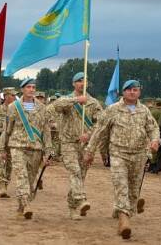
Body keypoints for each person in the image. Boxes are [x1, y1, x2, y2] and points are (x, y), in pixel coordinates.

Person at [84, 79, 160, 240]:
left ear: (139, 92)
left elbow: (153, 128)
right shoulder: (112, 110)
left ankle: (123, 212)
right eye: (129, 89)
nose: (132, 92)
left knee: (133, 191)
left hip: (139, 155)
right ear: (123, 92)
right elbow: (99, 132)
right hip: (118, 154)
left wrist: (155, 141)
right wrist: (89, 151)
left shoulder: (144, 110)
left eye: (135, 90)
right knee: (121, 185)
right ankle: (124, 221)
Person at [0, 78, 53, 219]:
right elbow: (7, 129)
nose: (32, 89)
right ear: (22, 89)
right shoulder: (13, 107)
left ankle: (21, 206)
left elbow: (46, 131)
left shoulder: (42, 108)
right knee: (21, 176)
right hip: (17, 146)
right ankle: (27, 204)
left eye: (33, 87)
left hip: (36, 148)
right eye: (28, 87)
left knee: (30, 180)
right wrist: (2, 149)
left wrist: (48, 152)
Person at [53, 72, 102, 220]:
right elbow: (56, 106)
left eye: (84, 81)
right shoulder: (67, 99)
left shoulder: (94, 103)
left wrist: (89, 133)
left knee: (80, 176)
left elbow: (100, 123)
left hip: (85, 145)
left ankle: (72, 207)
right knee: (74, 171)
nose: (82, 83)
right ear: (73, 84)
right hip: (68, 143)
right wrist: (76, 100)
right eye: (79, 81)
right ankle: (81, 199)